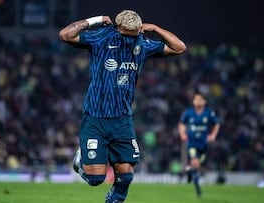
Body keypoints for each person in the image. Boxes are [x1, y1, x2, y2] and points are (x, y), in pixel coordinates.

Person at [59, 10, 186, 202]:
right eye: (126, 35)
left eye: (134, 35)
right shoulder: (101, 37)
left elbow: (179, 48)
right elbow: (65, 35)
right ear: (117, 28)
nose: (130, 40)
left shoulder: (142, 43)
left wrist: (155, 28)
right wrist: (96, 20)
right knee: (95, 179)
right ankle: (81, 159)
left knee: (125, 175)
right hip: (95, 117)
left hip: (122, 120)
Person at [178, 93, 220, 197]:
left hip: (204, 144)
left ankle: (190, 172)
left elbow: (216, 124)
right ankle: (198, 191)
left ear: (204, 102)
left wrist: (213, 135)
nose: (198, 102)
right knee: (195, 162)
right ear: (193, 102)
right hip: (192, 143)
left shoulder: (209, 113)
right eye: (196, 100)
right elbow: (181, 124)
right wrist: (182, 134)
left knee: (197, 167)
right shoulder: (188, 113)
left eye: (200, 100)